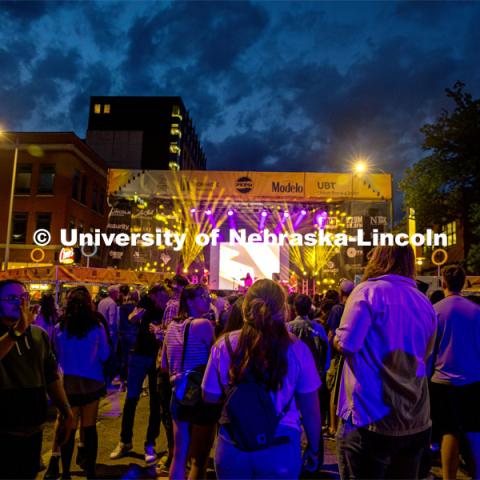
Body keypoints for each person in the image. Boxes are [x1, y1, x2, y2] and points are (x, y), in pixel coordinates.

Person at [334, 245, 437, 479]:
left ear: (377, 260)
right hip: (415, 417)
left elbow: (347, 345)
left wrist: (335, 339)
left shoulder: (366, 293)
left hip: (369, 417)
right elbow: (424, 355)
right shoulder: (423, 302)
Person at [202, 279, 322, 479]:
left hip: (234, 442)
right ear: (283, 309)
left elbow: (209, 395)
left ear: (246, 307)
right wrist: (314, 447)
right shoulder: (298, 349)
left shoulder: (224, 345)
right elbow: (311, 408)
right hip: (280, 447)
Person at [0, 279, 73, 479]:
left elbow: (51, 377)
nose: (20, 303)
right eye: (12, 298)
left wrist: (66, 411)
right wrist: (16, 332)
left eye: (24, 297)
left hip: (33, 431)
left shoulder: (38, 335)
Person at [161, 284, 220, 479]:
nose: (208, 299)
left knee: (179, 457)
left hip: (178, 393)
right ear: (191, 300)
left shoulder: (170, 327)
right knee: (198, 461)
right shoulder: (202, 325)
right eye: (203, 296)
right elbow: (215, 358)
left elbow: (163, 365)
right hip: (200, 396)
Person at [53, 286, 110, 479]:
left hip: (68, 383)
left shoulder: (59, 328)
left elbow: (56, 355)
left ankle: (66, 472)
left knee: (69, 427)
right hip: (92, 381)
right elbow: (105, 354)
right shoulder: (97, 327)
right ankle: (90, 472)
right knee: (89, 428)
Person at [110, 284, 172, 464]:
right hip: (138, 355)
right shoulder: (141, 306)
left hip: (156, 357)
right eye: (161, 296)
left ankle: (149, 444)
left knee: (155, 401)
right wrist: (132, 320)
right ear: (153, 295)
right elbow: (127, 322)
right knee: (131, 399)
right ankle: (125, 441)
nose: (164, 299)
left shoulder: (167, 310)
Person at [430, 265, 480, 480]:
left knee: (448, 431)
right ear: (465, 282)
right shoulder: (476, 311)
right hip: (473, 378)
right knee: (474, 431)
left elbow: (430, 349)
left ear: (443, 283)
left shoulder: (436, 310)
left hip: (443, 380)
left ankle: (448, 476)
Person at [325, 279, 354, 436]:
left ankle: (333, 427)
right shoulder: (354, 307)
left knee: (334, 391)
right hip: (350, 355)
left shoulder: (337, 309)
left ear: (341, 292)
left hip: (338, 355)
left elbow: (331, 333)